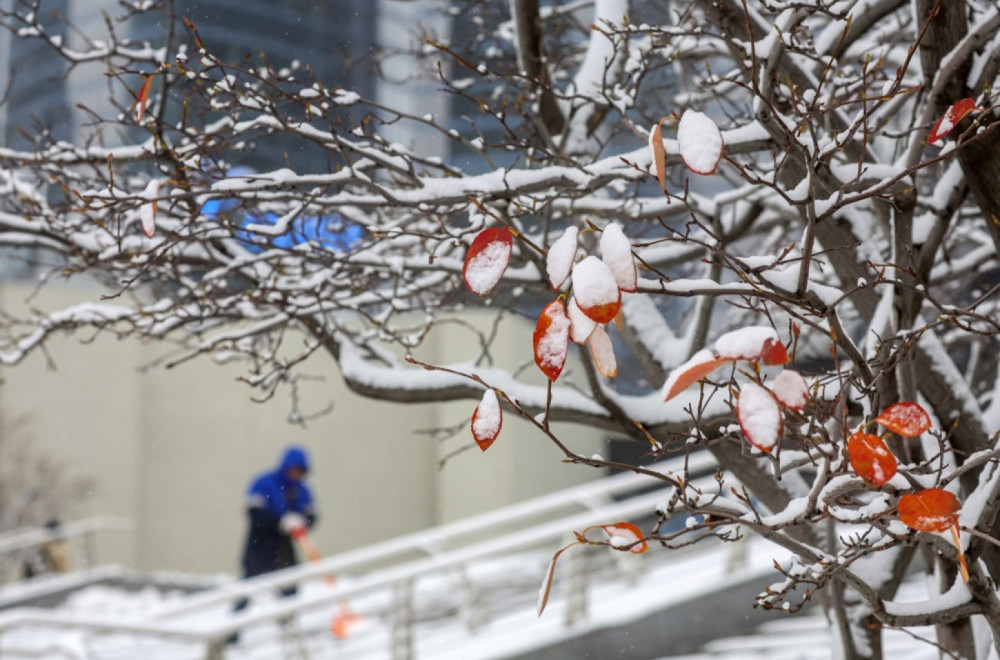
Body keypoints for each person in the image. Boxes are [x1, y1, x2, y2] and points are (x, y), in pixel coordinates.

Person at [232, 445, 317, 631]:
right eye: (293, 470)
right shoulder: (264, 483)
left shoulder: (302, 490)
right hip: (259, 545)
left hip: (284, 548)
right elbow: (254, 513)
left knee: (289, 589)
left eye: (300, 471)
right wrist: (279, 521)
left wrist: (302, 522)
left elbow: (312, 514)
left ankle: (288, 630)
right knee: (247, 589)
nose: (295, 475)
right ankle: (231, 632)